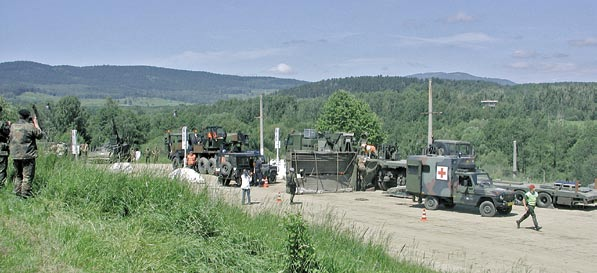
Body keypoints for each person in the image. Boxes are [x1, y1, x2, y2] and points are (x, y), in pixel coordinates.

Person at [9, 109, 43, 198]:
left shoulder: (13, 126)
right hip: (28, 155)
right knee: (27, 177)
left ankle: (17, 193)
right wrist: (36, 123)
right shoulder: (30, 127)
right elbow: (40, 135)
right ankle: (25, 195)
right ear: (28, 117)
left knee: (18, 175)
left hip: (15, 155)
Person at [0, 106, 10, 188]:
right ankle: (1, 186)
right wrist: (9, 125)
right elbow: (8, 132)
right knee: (1, 169)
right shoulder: (2, 124)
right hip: (1, 148)